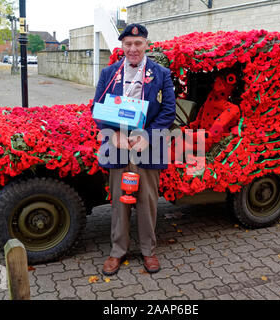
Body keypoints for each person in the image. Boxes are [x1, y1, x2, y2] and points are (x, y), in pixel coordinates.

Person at [92, 23, 176, 275]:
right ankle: (117, 252)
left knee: (147, 201)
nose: (133, 49)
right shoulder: (109, 73)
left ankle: (148, 251)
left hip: (146, 146)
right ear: (122, 46)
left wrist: (148, 136)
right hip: (118, 145)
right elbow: (97, 108)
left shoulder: (161, 74)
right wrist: (114, 133)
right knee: (120, 201)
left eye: (138, 44)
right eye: (128, 44)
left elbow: (168, 111)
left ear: (146, 45)